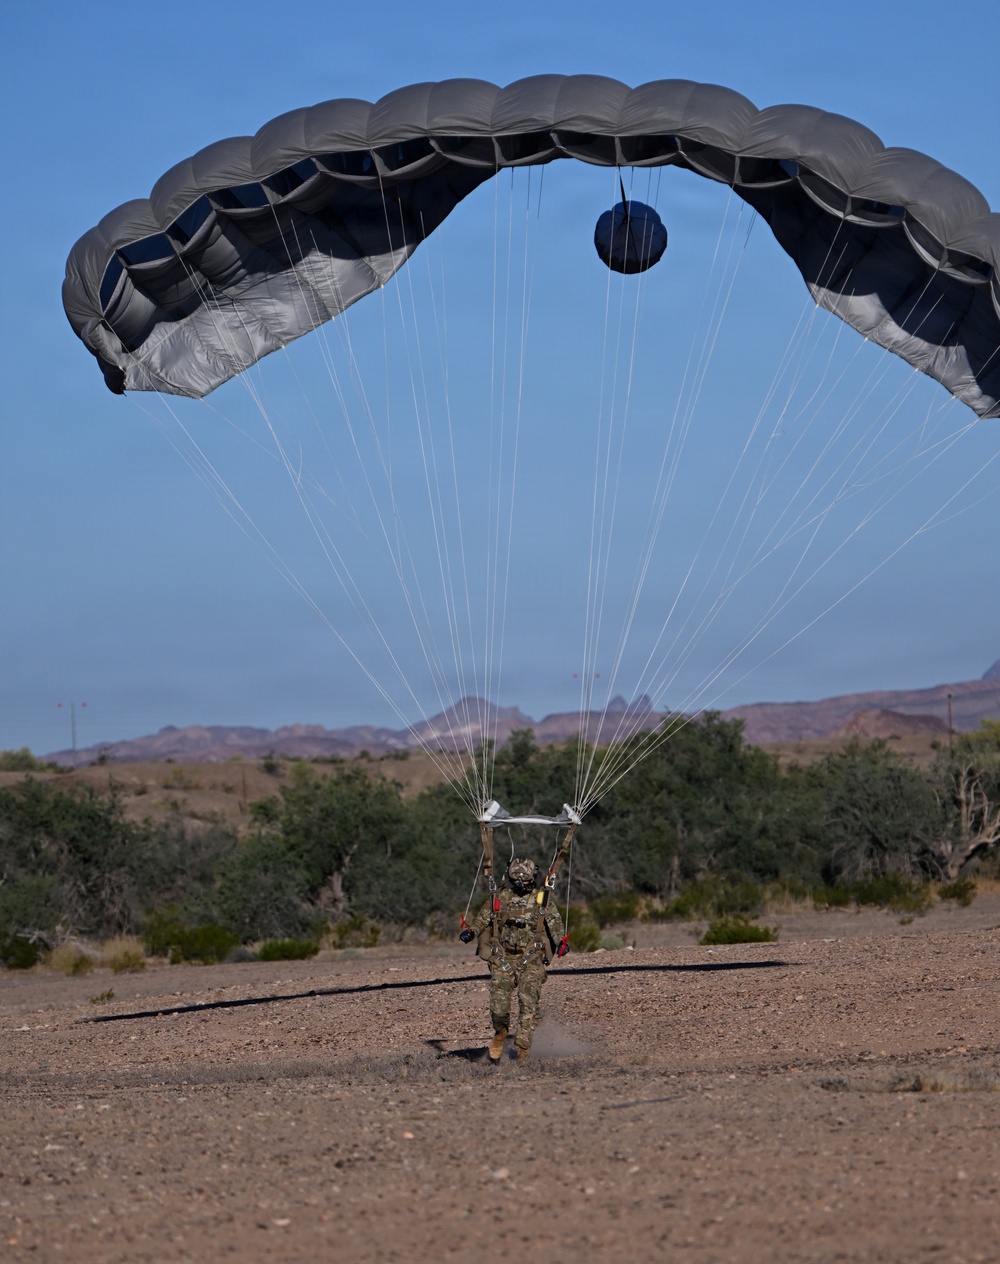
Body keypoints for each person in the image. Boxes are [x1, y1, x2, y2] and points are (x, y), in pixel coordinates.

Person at [460, 857, 568, 1062]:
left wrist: (561, 941)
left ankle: (522, 1047)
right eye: (515, 879)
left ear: (532, 879)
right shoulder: (500, 896)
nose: (519, 884)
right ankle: (500, 1033)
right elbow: (483, 918)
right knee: (498, 1004)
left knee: (528, 1001)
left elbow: (554, 922)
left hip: (531, 957)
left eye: (524, 881)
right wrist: (471, 932)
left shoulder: (541, 899)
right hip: (504, 957)